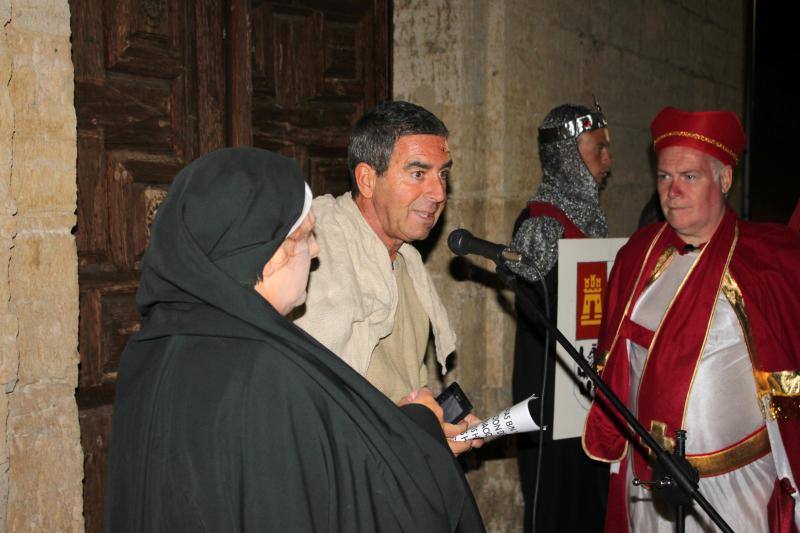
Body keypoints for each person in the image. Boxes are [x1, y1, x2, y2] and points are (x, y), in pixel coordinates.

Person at [105, 147, 485, 532]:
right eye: (303, 237)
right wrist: (421, 425)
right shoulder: (265, 369)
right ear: (263, 254)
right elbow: (350, 499)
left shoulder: (149, 348)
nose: (316, 250)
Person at [584, 107, 800, 532]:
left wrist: (793, 451)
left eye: (689, 177)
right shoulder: (637, 256)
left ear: (724, 180)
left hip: (735, 490)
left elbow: (783, 373)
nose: (673, 190)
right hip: (647, 484)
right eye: (664, 177)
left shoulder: (766, 266)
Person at [293, 101, 454, 401]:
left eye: (442, 174)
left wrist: (435, 425)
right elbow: (311, 395)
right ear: (367, 180)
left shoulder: (407, 262)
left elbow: (407, 389)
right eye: (418, 174)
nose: (439, 193)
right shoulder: (315, 254)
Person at [509, 103, 612, 533]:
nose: (609, 161)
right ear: (568, 154)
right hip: (551, 400)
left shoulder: (590, 220)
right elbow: (538, 310)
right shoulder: (540, 225)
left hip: (587, 392)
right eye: (599, 149)